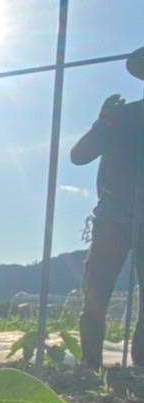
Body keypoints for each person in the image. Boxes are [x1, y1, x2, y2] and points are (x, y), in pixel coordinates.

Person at [70, 47, 144, 370]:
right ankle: (90, 365)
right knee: (96, 291)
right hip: (113, 213)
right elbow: (79, 155)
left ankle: (141, 370)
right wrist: (102, 125)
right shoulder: (121, 117)